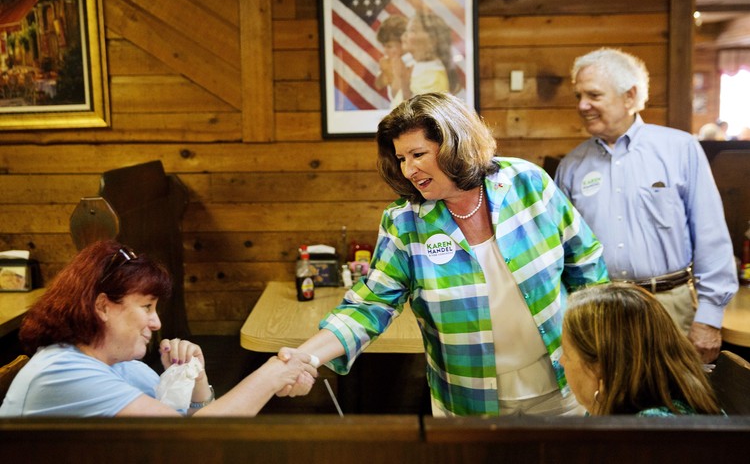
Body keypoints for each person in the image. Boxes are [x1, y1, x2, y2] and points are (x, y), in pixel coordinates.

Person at [277, 92, 609, 416]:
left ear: (456, 144)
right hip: (468, 402)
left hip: (564, 386)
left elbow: (586, 265)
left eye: (418, 154)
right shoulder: (404, 222)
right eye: (401, 158)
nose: (408, 170)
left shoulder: (527, 183)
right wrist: (305, 357)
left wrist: (598, 351)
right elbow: (369, 306)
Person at [554, 47, 738, 363]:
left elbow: (711, 236)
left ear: (630, 96)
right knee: (609, 409)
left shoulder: (680, 149)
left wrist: (709, 317)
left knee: (674, 407)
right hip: (600, 312)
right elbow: (562, 253)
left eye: (593, 95)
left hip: (671, 307)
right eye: (578, 96)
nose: (582, 105)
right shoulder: (571, 166)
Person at [0, 240, 316, 417]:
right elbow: (194, 442)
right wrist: (272, 374)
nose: (157, 322)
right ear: (103, 306)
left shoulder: (122, 365)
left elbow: (191, 430)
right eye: (147, 307)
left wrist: (197, 380)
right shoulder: (62, 372)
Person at [561, 282, 722, 416]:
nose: (561, 361)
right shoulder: (627, 410)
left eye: (567, 355)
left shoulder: (650, 432)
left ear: (600, 367)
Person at [394, 11, 459, 102]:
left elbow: (417, 114)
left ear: (432, 39)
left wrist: (405, 86)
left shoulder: (434, 79)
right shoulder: (415, 67)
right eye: (406, 30)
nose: (404, 36)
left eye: (412, 30)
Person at [374, 14, 408, 109]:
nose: (385, 51)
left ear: (404, 42)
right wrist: (385, 71)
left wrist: (396, 74)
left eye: (389, 46)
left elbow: (399, 95)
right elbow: (379, 85)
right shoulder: (388, 61)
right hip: (395, 108)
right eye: (383, 46)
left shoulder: (412, 62)